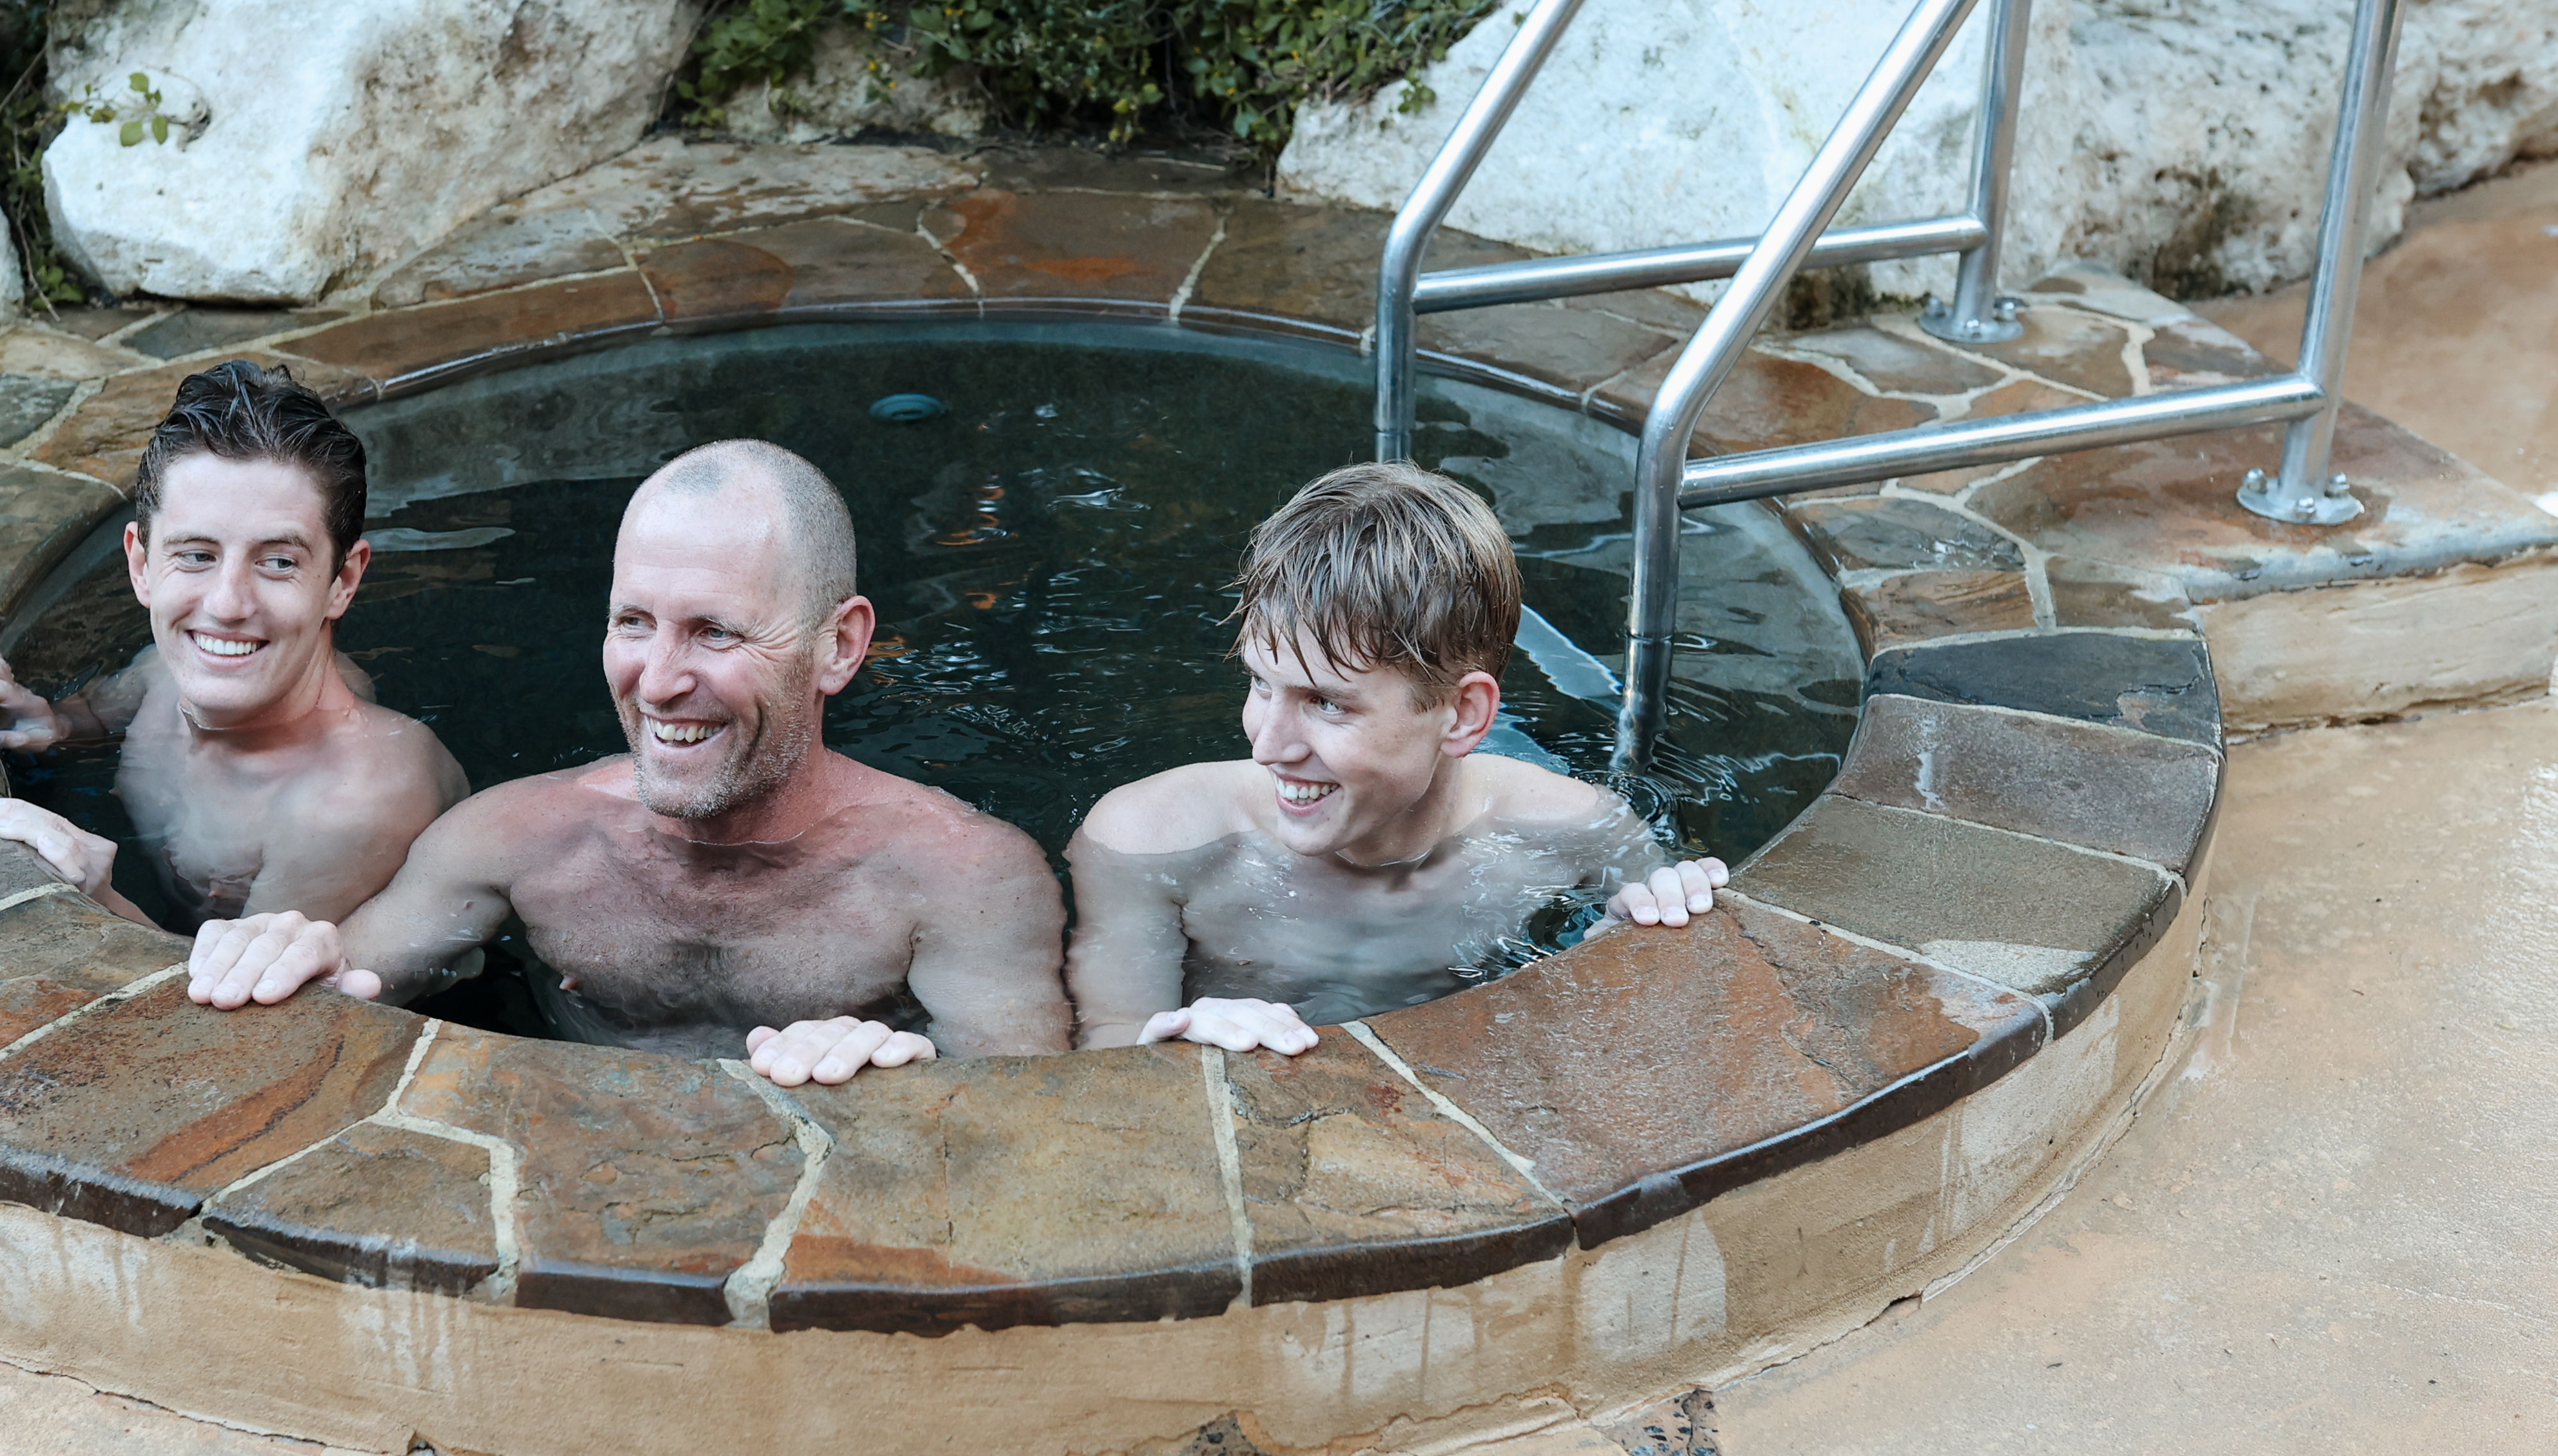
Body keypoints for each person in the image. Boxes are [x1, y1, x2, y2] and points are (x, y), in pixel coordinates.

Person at [179, 439, 1072, 1085]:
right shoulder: (515, 838)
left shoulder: (963, 876)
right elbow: (330, 1002)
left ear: (839, 647)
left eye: (716, 631)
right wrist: (250, 950)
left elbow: (1039, 1137)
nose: (660, 680)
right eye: (633, 623)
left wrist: (915, 1088)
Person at [1065, 462, 1731, 1056]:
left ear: (1464, 715)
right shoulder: (1147, 841)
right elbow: (1107, 1050)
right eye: (1260, 683)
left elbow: (1677, 1038)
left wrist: (1633, 946)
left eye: (1327, 704)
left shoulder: (1577, 834)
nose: (1267, 746)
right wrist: (1167, 1044)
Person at [0, 360, 467, 931]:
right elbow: (97, 715)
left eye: (278, 561)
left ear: (343, 581)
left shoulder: (352, 802)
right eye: (196, 555)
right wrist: (50, 724)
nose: (226, 605)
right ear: (141, 565)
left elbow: (269, 1012)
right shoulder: (164, 669)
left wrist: (98, 897)